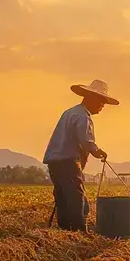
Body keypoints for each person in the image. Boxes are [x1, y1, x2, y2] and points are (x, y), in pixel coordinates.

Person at [43, 79, 118, 231]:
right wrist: (97, 152)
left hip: (54, 162)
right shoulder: (83, 117)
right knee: (76, 197)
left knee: (62, 196)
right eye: (101, 102)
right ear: (92, 99)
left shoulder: (70, 112)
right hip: (68, 163)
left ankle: (65, 229)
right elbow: (86, 142)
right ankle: (79, 230)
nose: (103, 106)